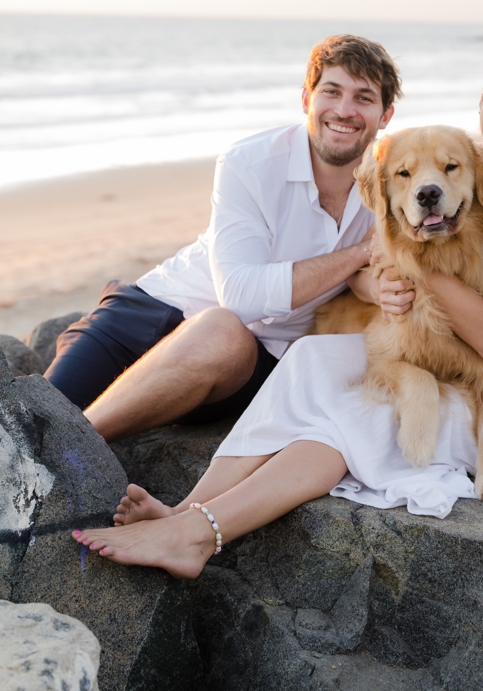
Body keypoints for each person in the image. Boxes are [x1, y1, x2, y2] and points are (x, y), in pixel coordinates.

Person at [69, 42, 483, 577]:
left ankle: (197, 536)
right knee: (309, 360)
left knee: (351, 415)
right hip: (454, 347)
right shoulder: (458, 166)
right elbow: (382, 255)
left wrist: (413, 251)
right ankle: (184, 509)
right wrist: (387, 269)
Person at [47, 35, 398, 439]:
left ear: (385, 115)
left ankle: (73, 443)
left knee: (223, 333)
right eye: (331, 92)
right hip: (148, 315)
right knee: (33, 421)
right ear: (306, 100)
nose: (344, 110)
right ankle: (60, 443)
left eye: (364, 98)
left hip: (246, 360)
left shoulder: (393, 184)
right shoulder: (249, 162)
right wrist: (357, 254)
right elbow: (241, 294)